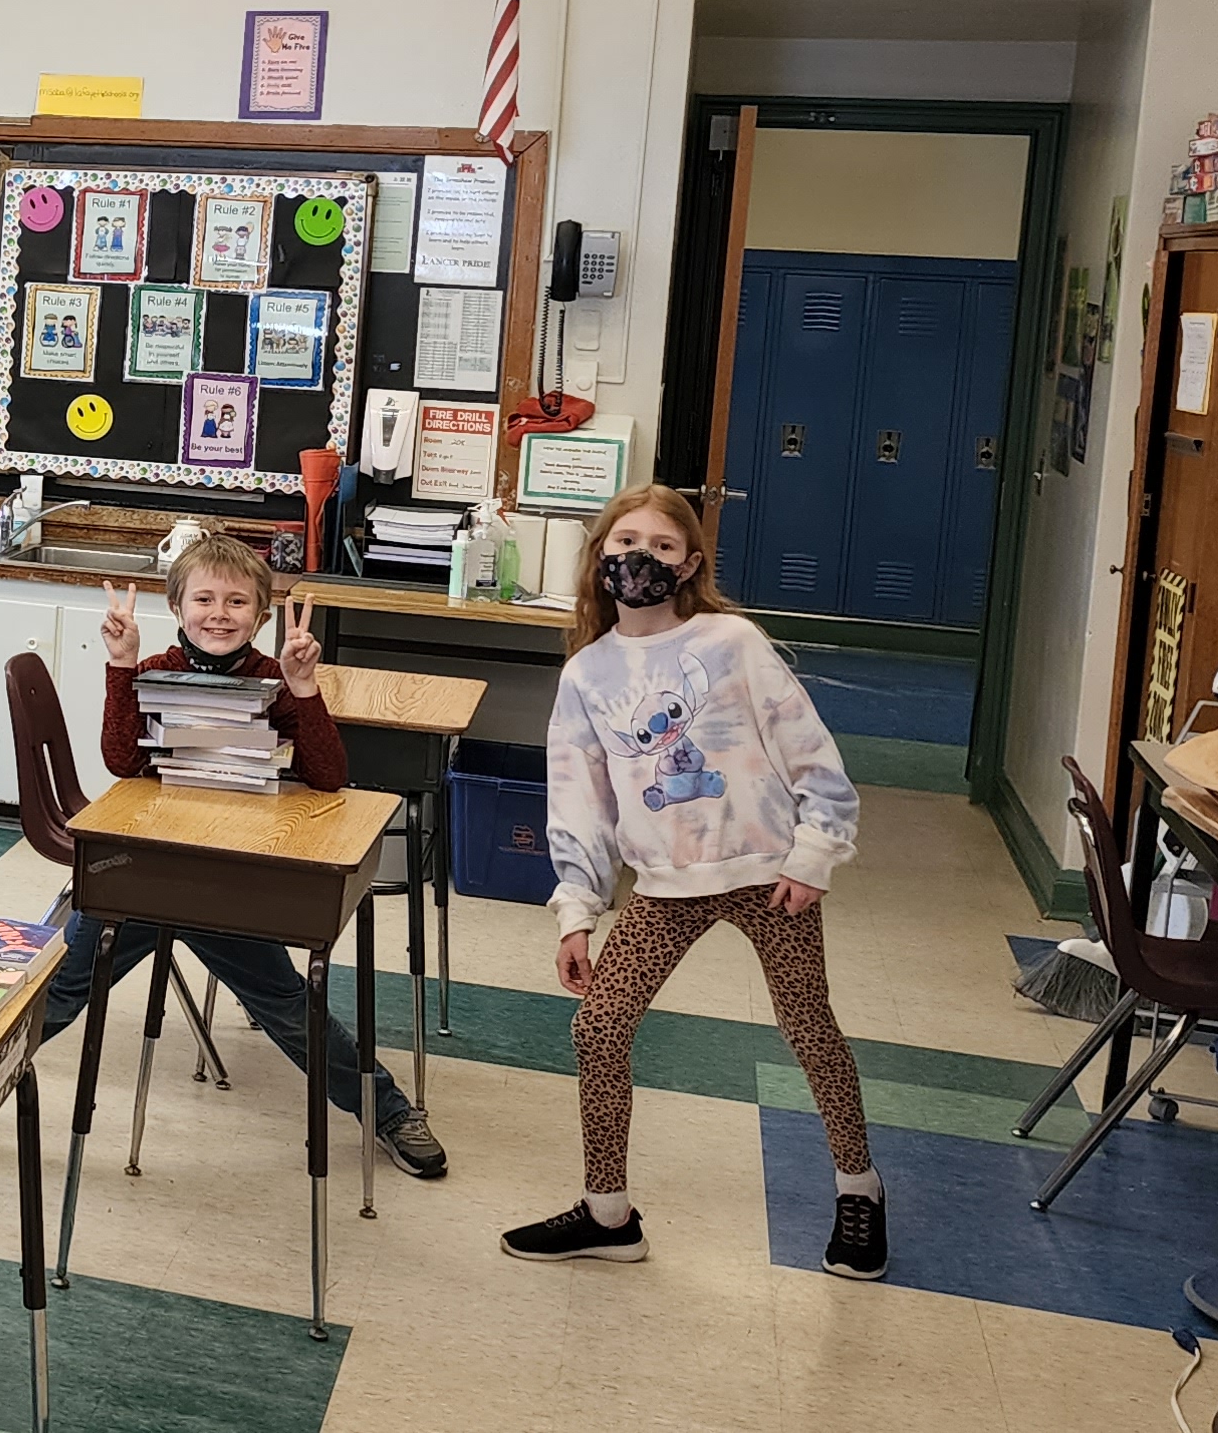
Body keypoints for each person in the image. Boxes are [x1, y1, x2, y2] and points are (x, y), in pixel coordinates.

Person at [499, 484, 884, 1280]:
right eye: (625, 542)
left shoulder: (731, 642)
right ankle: (608, 1214)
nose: (641, 558)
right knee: (598, 1028)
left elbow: (814, 755)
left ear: (690, 565)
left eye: (664, 547)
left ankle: (860, 1188)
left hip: (770, 876)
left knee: (807, 1026)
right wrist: (577, 911)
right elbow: (578, 802)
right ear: (600, 556)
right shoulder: (587, 675)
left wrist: (815, 855)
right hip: (665, 887)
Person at [64, 533, 447, 1177]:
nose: (219, 613)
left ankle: (386, 1109)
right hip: (148, 868)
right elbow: (123, 763)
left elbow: (329, 776)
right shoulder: (155, 669)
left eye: (237, 601)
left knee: (289, 1009)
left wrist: (303, 687)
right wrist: (122, 665)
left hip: (226, 878)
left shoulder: (273, 678)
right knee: (62, 987)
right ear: (177, 607)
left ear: (261, 616)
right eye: (204, 599)